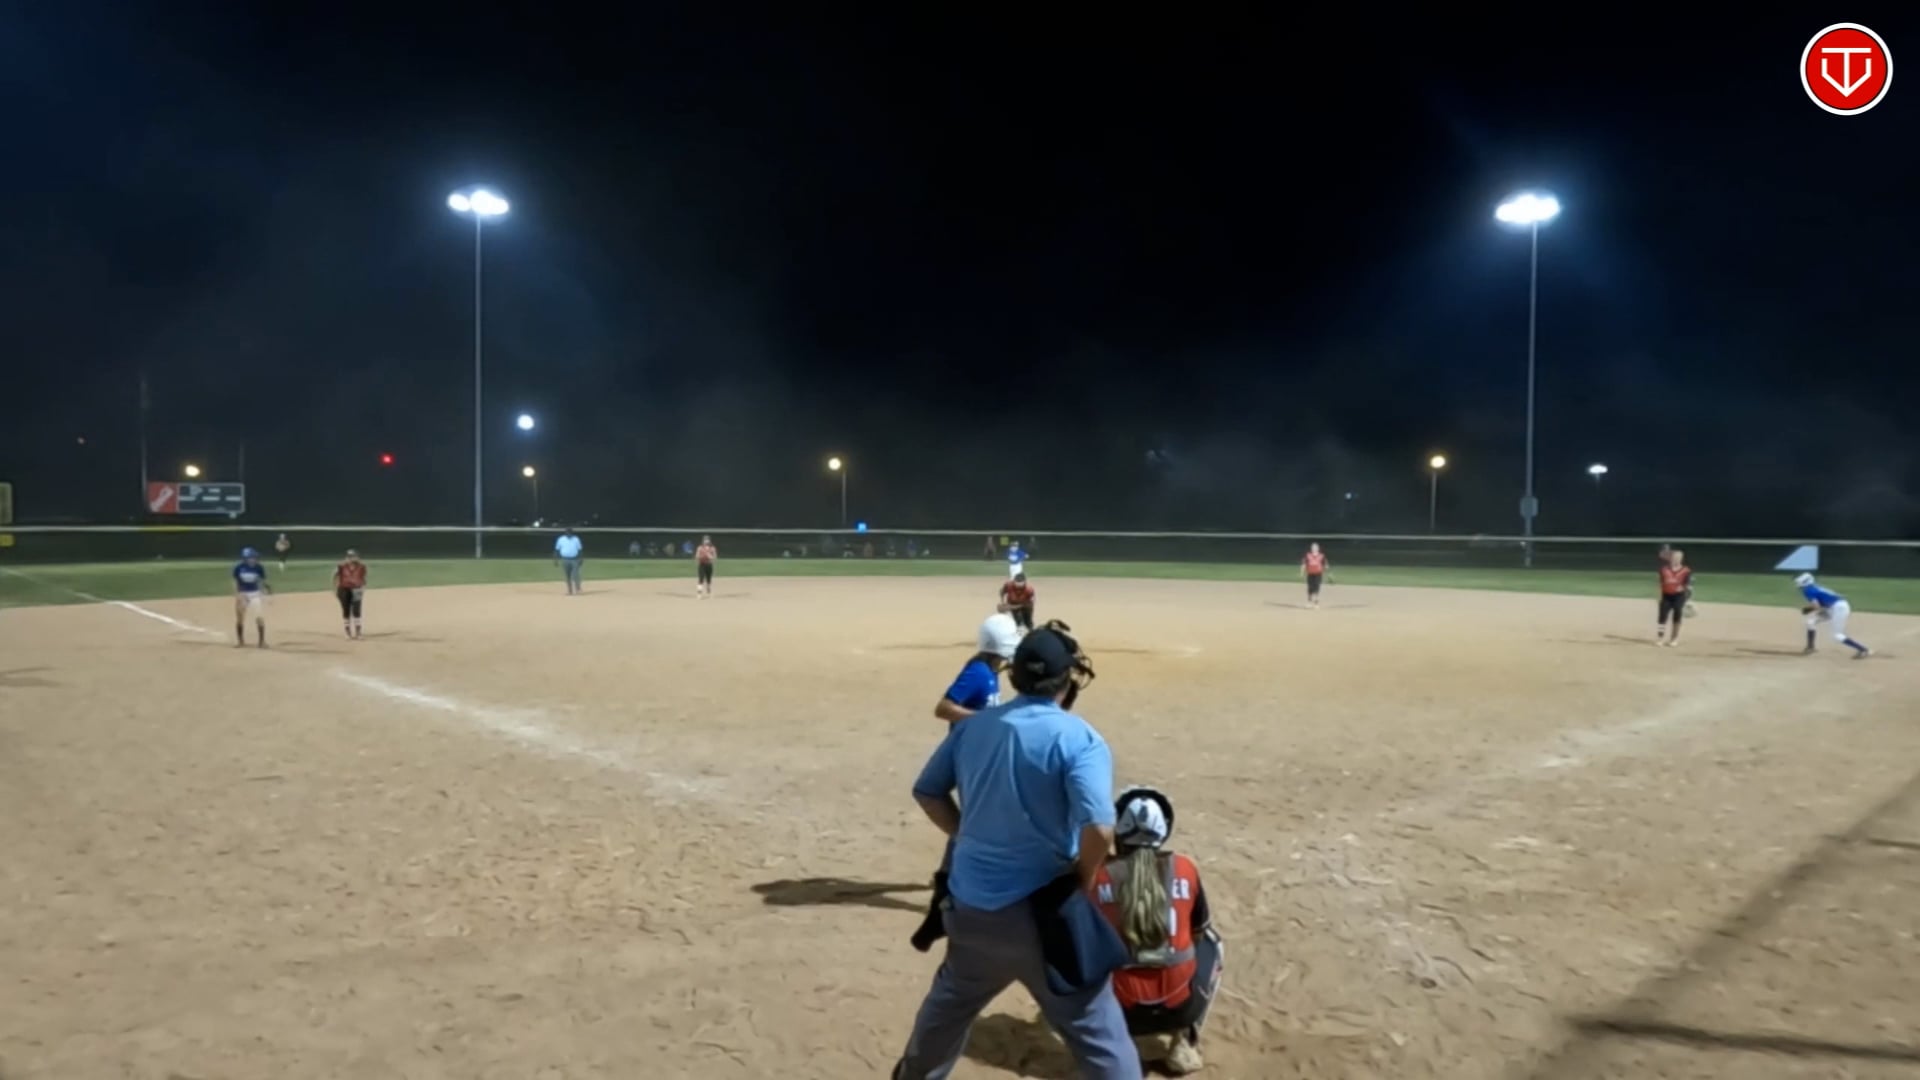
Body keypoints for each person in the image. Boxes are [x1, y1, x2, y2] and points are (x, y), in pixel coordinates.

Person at [894, 622, 1139, 1080]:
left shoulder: (972, 728)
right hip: (1044, 916)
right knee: (1096, 1028)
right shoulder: (1079, 738)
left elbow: (928, 792)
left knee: (948, 1008)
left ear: (1015, 676)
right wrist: (1083, 876)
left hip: (970, 908)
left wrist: (966, 834)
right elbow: (1100, 827)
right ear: (1068, 679)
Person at [911, 613, 1024, 952]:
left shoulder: (989, 672)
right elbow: (943, 707)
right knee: (966, 830)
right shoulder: (977, 672)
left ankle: (944, 892)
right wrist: (984, 719)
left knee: (965, 830)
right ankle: (943, 898)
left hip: (976, 755)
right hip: (965, 757)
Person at [1093, 787, 1223, 1076]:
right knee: (1212, 943)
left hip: (1122, 1009)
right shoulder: (1185, 868)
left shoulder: (1098, 874)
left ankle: (1115, 1043)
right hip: (1179, 1005)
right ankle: (1184, 1041)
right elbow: (1198, 934)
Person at [1796, 573, 1872, 658]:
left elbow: (1816, 606)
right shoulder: (1814, 587)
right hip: (1834, 607)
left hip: (1838, 608)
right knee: (1810, 622)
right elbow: (1823, 603)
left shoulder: (1808, 590)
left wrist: (1807, 609)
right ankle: (1810, 647)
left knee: (1837, 635)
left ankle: (1864, 650)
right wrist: (1821, 611)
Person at [232, 546, 270, 648]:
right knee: (240, 618)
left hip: (255, 594)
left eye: (254, 557)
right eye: (251, 557)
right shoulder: (238, 567)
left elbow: (262, 580)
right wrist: (237, 594)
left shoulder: (259, 567)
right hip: (243, 594)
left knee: (259, 617)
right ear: (245, 558)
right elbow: (235, 581)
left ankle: (261, 642)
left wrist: (265, 588)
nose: (254, 559)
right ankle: (241, 642)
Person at [1656, 547, 1692, 647]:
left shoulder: (1686, 570)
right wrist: (1659, 596)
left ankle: (1674, 638)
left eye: (1678, 558)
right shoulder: (1664, 570)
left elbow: (1688, 585)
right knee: (1662, 616)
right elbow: (1660, 583)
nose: (1676, 559)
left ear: (1681, 559)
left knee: (1677, 615)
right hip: (1666, 596)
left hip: (1679, 596)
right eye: (1674, 557)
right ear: (1671, 558)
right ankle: (1660, 638)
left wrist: (1688, 598)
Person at [332, 549, 368, 640]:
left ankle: (358, 632)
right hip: (344, 589)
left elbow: (363, 578)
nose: (352, 558)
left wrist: (363, 588)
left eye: (354, 556)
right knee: (346, 610)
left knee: (357, 610)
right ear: (347, 557)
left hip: (357, 589)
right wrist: (335, 589)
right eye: (350, 556)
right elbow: (335, 576)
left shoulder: (362, 566)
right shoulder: (341, 566)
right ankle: (347, 632)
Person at [554, 528, 584, 595]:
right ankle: (569, 591)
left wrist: (581, 559)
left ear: (572, 533)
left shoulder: (576, 539)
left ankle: (578, 589)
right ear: (565, 533)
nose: (569, 534)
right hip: (565, 559)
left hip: (574, 559)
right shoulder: (561, 539)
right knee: (567, 575)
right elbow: (556, 550)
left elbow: (580, 550)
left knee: (575, 574)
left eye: (570, 533)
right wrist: (556, 560)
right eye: (567, 533)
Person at [1301, 542, 1329, 608]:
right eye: (1313, 547)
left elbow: (1325, 564)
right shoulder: (1308, 555)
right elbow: (1304, 564)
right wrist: (1302, 572)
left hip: (1318, 574)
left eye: (1315, 547)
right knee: (1310, 588)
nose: (1314, 548)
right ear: (1311, 548)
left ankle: (1316, 603)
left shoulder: (1322, 556)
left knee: (1317, 587)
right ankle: (1309, 602)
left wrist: (1327, 569)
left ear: (1318, 548)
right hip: (1310, 574)